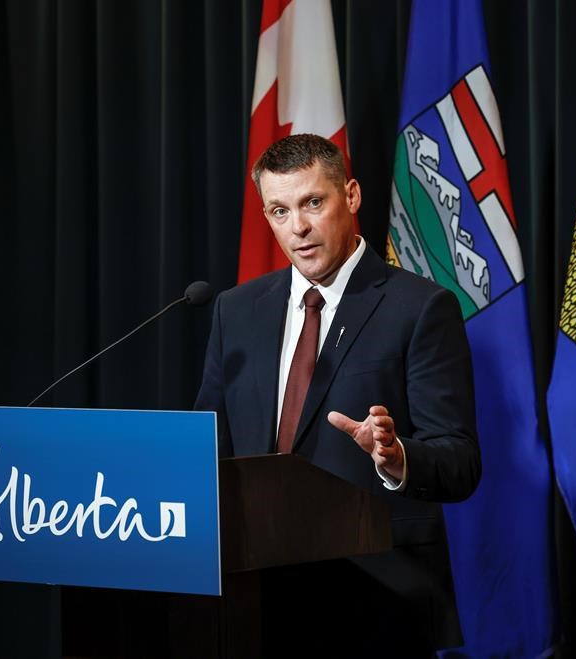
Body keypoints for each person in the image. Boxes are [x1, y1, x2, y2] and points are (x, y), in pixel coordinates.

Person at [195, 133, 481, 656]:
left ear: (350, 196)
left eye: (312, 203)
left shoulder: (419, 309)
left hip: (376, 602)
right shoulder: (236, 312)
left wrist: (395, 458)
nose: (298, 228)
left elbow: (460, 461)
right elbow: (206, 448)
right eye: (279, 211)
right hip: (254, 598)